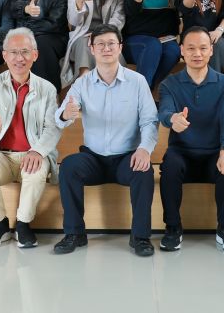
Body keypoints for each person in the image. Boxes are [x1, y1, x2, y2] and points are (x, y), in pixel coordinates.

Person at [53, 24, 159, 257]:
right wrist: (66, 114)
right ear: (91, 49)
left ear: (120, 47)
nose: (106, 48)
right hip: (94, 159)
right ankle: (74, 233)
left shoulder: (137, 81)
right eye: (100, 44)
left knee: (144, 170)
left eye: (111, 43)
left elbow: (150, 121)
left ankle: (140, 237)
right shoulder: (82, 83)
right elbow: (59, 118)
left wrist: (144, 149)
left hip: (126, 158)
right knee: (69, 166)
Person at [0, 28, 63, 249]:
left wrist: (38, 151)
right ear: (4, 55)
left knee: (35, 170)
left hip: (32, 152)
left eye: (25, 52)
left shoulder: (47, 89)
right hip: (0, 154)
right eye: (13, 52)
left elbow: (52, 128)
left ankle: (23, 224)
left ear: (35, 55)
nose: (19, 58)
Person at [157, 26, 224, 252]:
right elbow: (164, 112)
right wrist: (172, 119)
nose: (197, 54)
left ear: (211, 50)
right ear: (181, 50)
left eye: (203, 48)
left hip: (214, 152)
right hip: (182, 152)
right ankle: (172, 228)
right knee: (169, 164)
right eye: (191, 48)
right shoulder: (169, 84)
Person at [61, 0, 124, 88]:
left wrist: (99, 35)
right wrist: (79, 0)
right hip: (81, 36)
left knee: (108, 47)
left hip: (108, 36)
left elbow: (118, 20)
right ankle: (84, 83)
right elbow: (73, 21)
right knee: (86, 44)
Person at [122, 0, 180, 91]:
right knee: (152, 45)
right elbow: (129, 13)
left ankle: (144, 91)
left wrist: (172, 36)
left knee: (173, 51)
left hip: (164, 40)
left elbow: (173, 19)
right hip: (136, 42)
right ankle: (143, 94)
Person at [8, 0, 68, 90]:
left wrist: (27, 29)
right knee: (29, 45)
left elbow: (55, 23)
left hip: (55, 37)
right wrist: (26, 9)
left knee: (40, 44)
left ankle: (49, 93)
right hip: (25, 38)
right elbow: (13, 8)